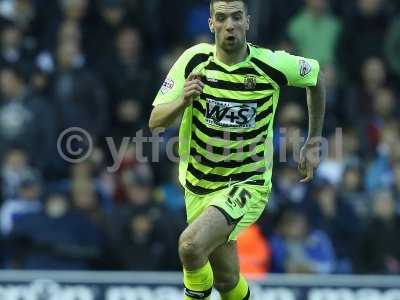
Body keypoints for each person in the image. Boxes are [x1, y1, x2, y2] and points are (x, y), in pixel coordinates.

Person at [149, 1, 326, 299]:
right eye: (221, 18)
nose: (229, 24)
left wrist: (313, 141)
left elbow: (315, 78)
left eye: (235, 17)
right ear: (211, 24)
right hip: (198, 186)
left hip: (247, 184)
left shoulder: (271, 64)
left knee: (190, 247)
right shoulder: (193, 61)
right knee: (228, 280)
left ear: (247, 22)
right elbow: (155, 121)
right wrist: (182, 101)